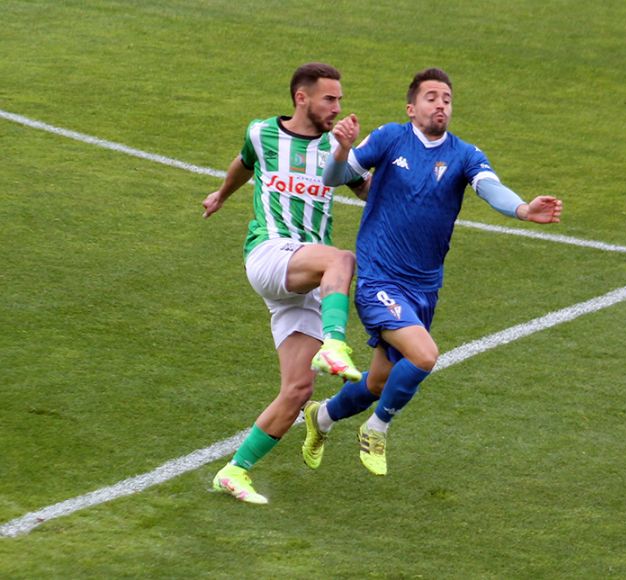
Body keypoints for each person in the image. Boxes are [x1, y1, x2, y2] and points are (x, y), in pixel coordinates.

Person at [301, 67, 562, 476]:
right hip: (379, 279)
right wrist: (341, 149)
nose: (441, 104)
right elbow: (334, 178)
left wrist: (524, 209)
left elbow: (490, 187)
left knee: (378, 383)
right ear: (411, 107)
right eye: (431, 97)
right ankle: (377, 428)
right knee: (424, 356)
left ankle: (321, 418)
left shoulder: (464, 154)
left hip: (424, 287)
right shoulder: (390, 138)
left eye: (447, 99)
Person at [202, 62, 368, 504]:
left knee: (298, 391)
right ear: (302, 98)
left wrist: (363, 155)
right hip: (270, 253)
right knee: (342, 258)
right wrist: (222, 193)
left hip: (307, 279)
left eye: (340, 100)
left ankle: (234, 471)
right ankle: (335, 343)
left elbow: (371, 192)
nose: (337, 107)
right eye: (329, 99)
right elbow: (244, 162)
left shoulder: (339, 151)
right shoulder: (262, 132)